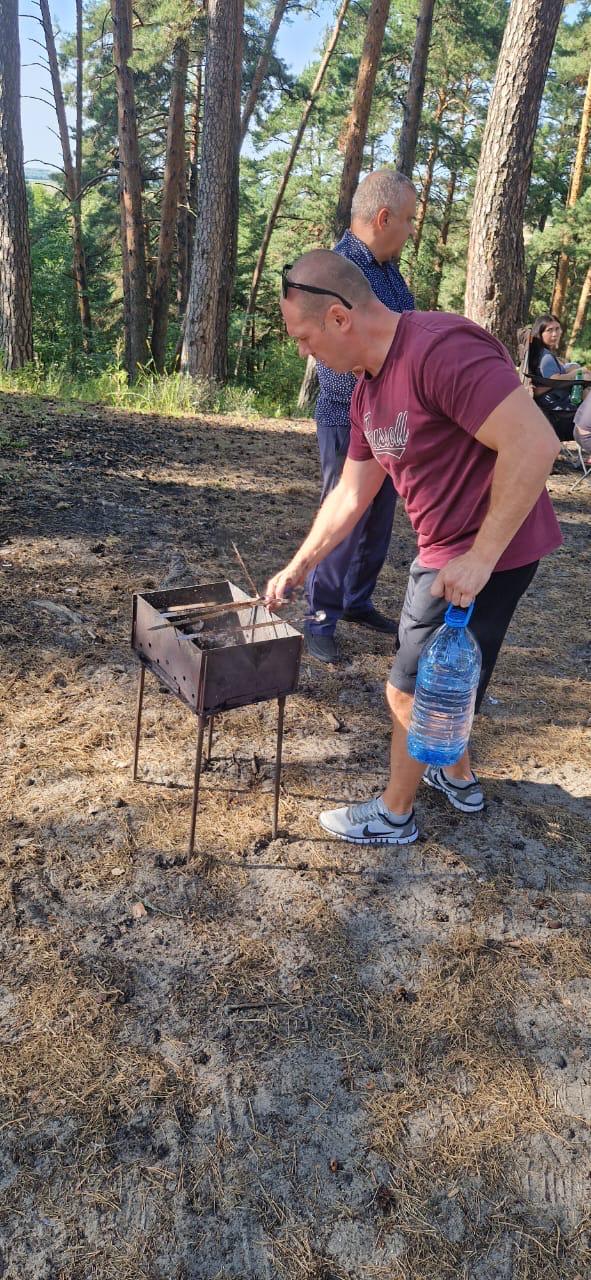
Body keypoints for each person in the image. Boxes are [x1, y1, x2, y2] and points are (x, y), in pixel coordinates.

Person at [267, 251, 562, 846]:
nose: (303, 351)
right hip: (453, 548)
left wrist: (478, 558)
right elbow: (351, 493)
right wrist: (300, 566)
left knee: (409, 685)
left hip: (485, 551)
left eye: (303, 336)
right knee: (454, 672)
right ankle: (457, 774)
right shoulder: (365, 393)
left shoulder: (441, 348)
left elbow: (534, 442)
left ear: (339, 318)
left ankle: (394, 815)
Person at [304, 169, 416, 664]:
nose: (411, 229)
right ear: (383, 216)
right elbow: (331, 354)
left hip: (392, 419)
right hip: (348, 415)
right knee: (344, 514)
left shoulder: (388, 269)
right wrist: (371, 401)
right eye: (409, 220)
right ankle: (320, 616)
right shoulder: (338, 268)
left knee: (380, 517)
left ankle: (356, 601)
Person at [526, 314, 590, 440]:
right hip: (560, 411)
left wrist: (568, 368)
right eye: (549, 330)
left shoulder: (541, 353)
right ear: (540, 333)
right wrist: (579, 372)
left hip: (554, 405)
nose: (555, 334)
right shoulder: (546, 357)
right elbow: (555, 379)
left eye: (557, 329)